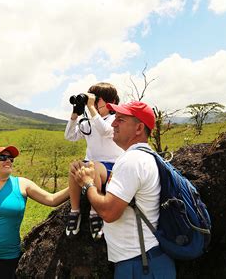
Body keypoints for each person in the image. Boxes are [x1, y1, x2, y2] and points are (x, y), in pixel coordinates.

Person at [70, 101, 176, 278]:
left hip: (140, 264)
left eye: (120, 120)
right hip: (147, 260)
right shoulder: (148, 157)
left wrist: (88, 183)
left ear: (139, 128)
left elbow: (109, 212)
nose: (113, 123)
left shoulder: (131, 161)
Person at [0, 146, 70, 279]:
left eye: (11, 158)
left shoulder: (22, 184)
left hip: (8, 258)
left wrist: (77, 183)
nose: (8, 161)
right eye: (2, 157)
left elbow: (52, 199)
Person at [65, 82, 124, 238]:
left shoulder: (116, 119)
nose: (93, 101)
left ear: (110, 102)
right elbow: (70, 136)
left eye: (96, 98)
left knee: (93, 166)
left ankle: (94, 212)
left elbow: (105, 131)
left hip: (110, 166)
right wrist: (74, 115)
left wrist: (91, 109)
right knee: (74, 167)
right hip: (91, 165)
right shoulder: (89, 121)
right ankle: (75, 211)